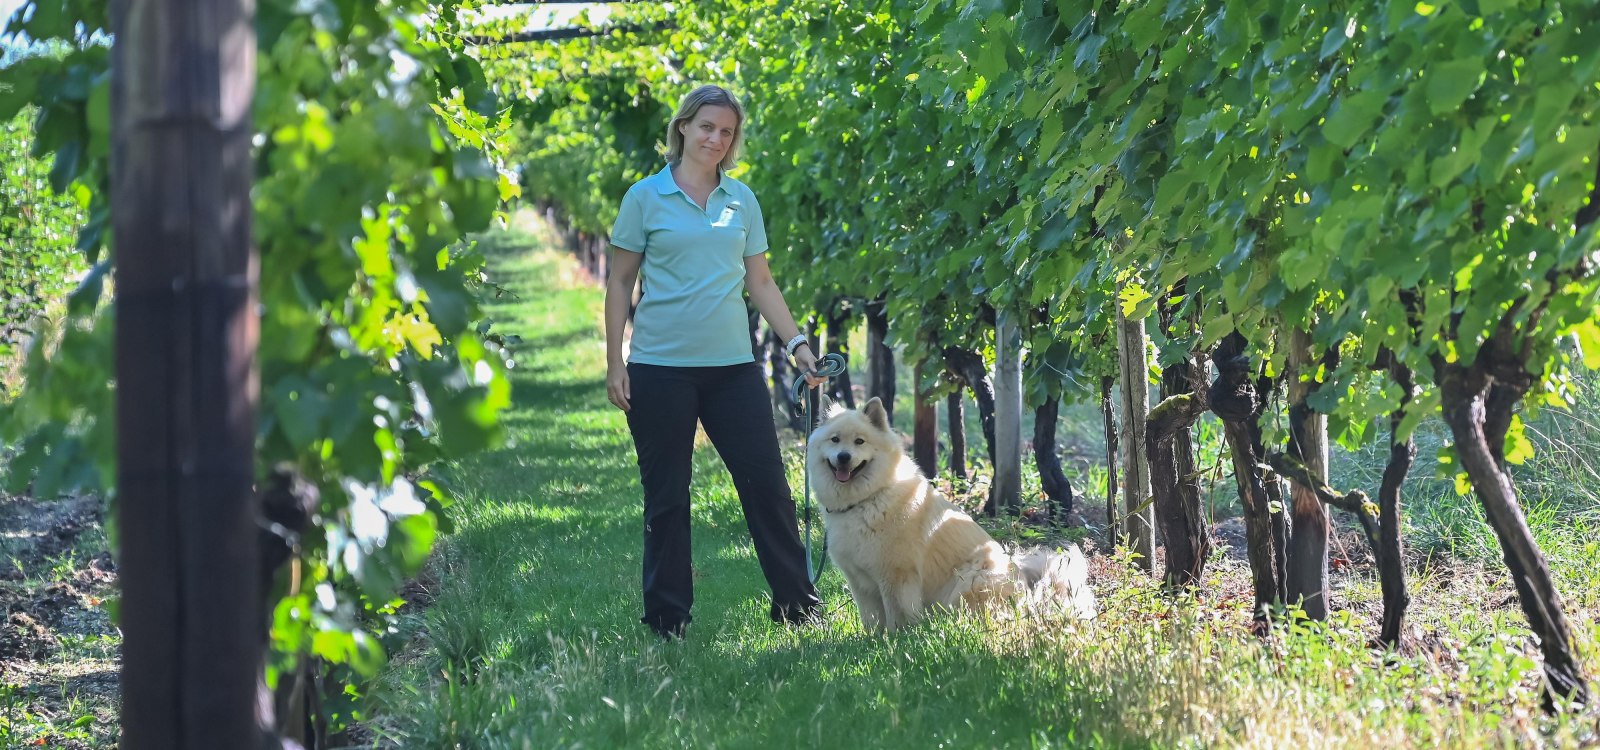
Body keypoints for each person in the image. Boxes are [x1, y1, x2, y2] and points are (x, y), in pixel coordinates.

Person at [604, 84, 824, 640]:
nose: (716, 139)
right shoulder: (644, 197)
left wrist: (798, 346)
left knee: (768, 488)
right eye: (707, 127)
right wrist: (615, 361)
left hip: (733, 370)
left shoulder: (741, 200)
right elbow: (620, 282)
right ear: (683, 127)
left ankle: (798, 607)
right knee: (668, 499)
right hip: (658, 369)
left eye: (726, 132)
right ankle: (667, 619)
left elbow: (762, 281)